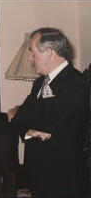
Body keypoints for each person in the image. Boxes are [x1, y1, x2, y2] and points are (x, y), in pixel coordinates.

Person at [7, 27, 90, 198]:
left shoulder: (75, 82)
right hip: (38, 173)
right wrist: (28, 130)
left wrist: (19, 111)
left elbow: (50, 122)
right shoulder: (39, 83)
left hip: (63, 176)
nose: (29, 58)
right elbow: (20, 120)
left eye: (32, 52)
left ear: (50, 52)